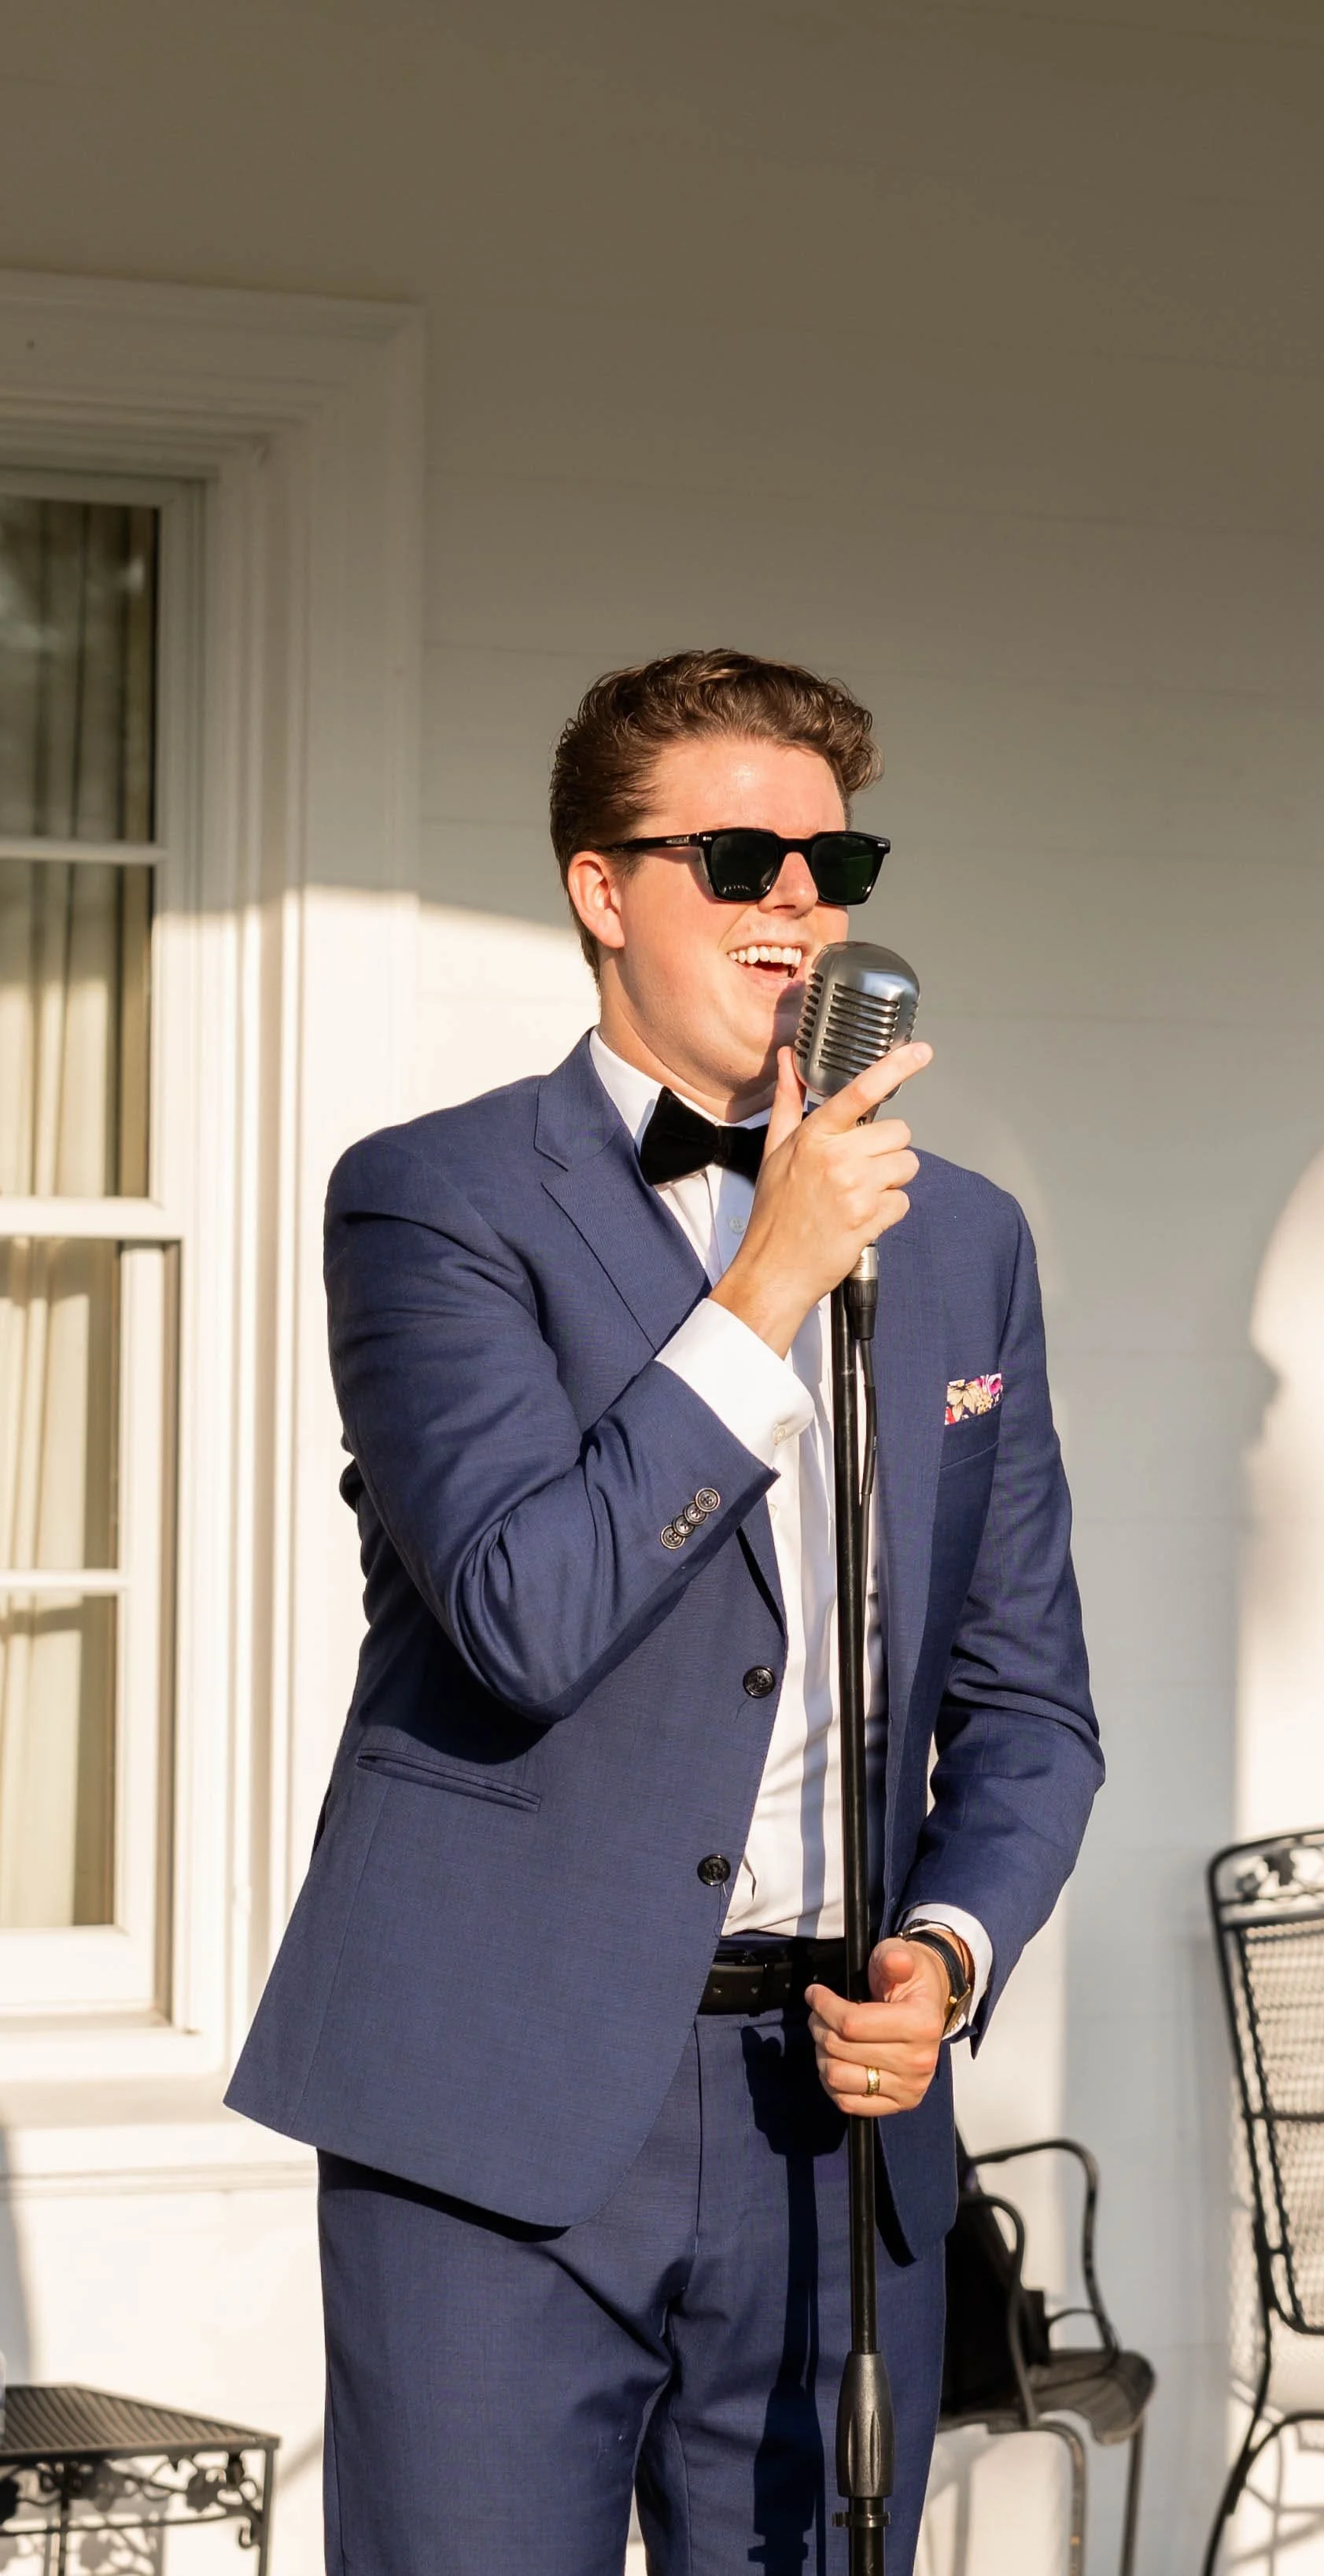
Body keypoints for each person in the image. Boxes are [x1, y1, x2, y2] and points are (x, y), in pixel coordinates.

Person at [228, 647, 1102, 2574]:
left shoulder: (959, 1239)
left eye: (829, 858)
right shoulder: (433, 1198)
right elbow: (525, 1612)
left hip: (824, 2113)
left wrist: (944, 1954)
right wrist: (767, 1282)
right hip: (495, 2106)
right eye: (734, 858)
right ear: (601, 889)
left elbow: (1028, 1702)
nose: (796, 903)